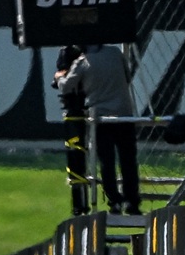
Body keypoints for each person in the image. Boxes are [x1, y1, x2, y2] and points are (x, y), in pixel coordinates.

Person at [59, 43, 139, 214]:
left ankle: (114, 201)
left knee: (107, 162)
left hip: (101, 118)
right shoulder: (115, 53)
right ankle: (132, 201)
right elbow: (127, 76)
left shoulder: (82, 62)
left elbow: (66, 86)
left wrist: (60, 76)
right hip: (124, 114)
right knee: (128, 161)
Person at [52, 45, 92, 215]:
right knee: (77, 159)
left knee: (77, 158)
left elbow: (62, 83)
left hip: (78, 112)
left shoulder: (74, 54)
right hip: (82, 111)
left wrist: (61, 78)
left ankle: (80, 205)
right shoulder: (86, 52)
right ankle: (80, 204)